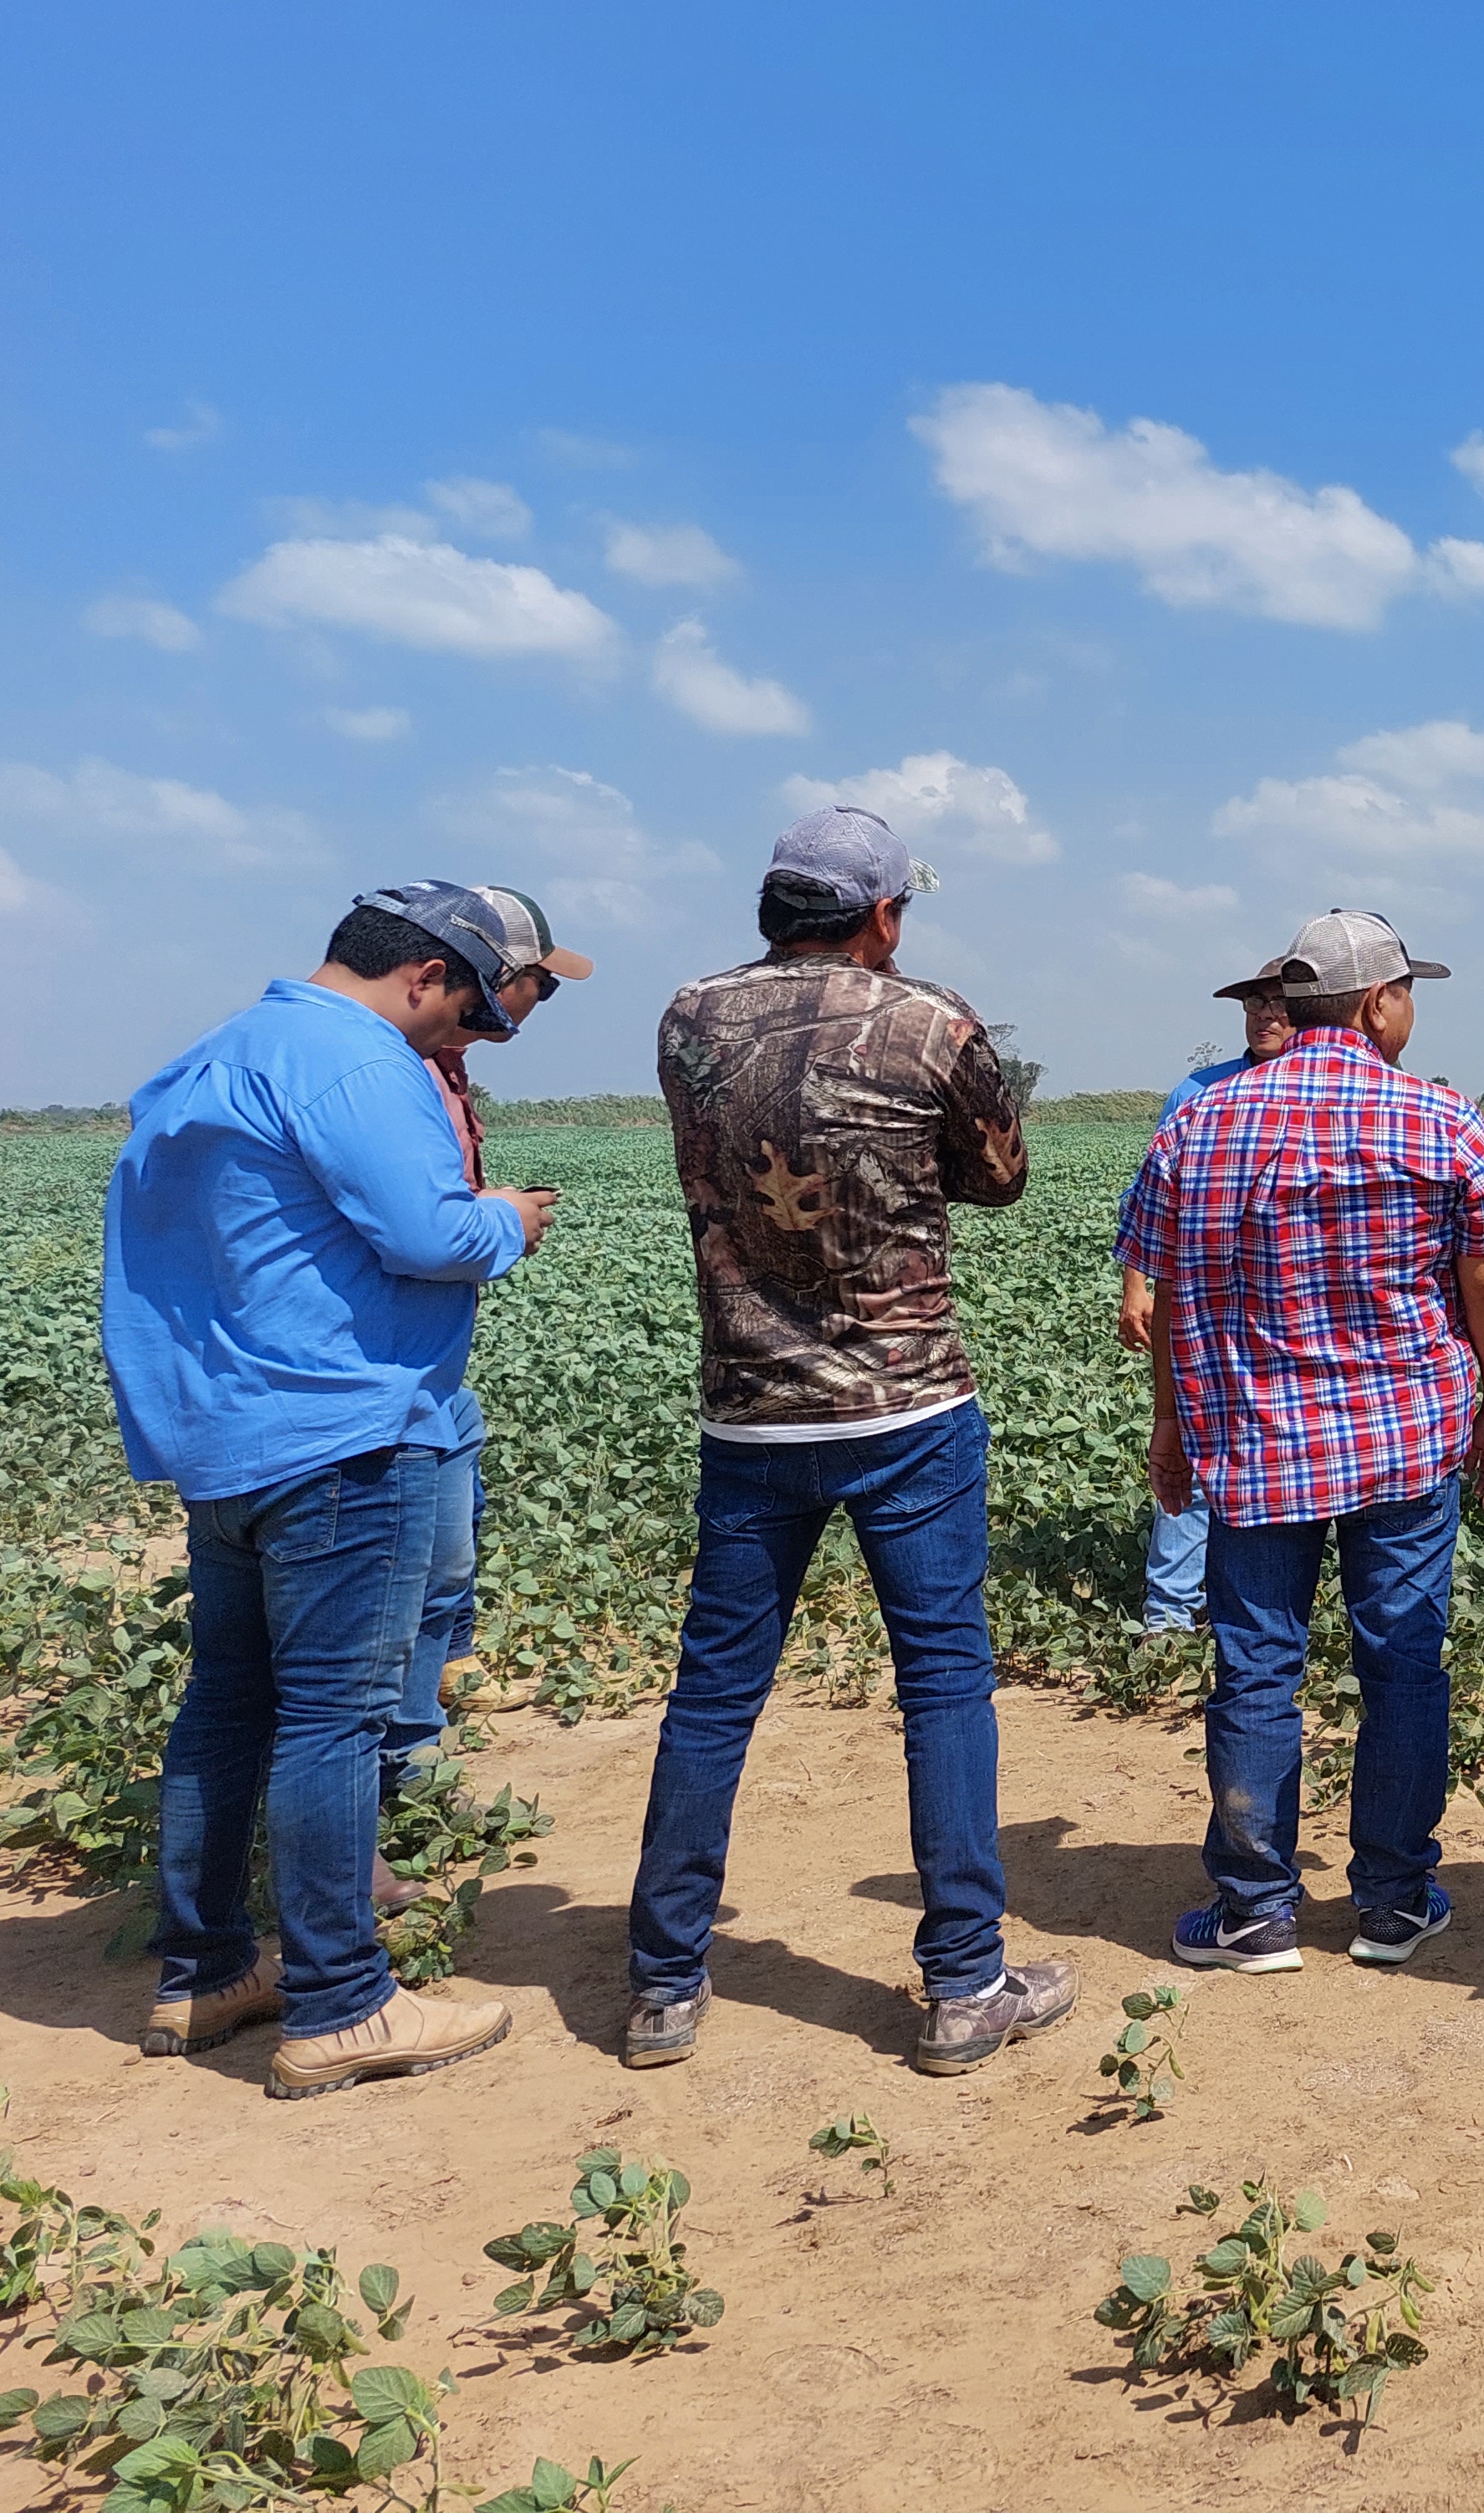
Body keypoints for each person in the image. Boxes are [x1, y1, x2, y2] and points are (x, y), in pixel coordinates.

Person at [626, 808, 1071, 2077]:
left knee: (715, 1692)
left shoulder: (688, 1016)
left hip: (750, 1408)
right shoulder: (929, 1022)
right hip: (906, 1407)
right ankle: (965, 1984)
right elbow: (1000, 1177)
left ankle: (663, 1984)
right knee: (943, 1685)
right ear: (883, 915)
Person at [100, 884, 558, 2097]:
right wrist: (508, 1221)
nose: (463, 1033)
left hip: (224, 1433)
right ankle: (342, 2002)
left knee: (226, 1707)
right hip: (343, 1433)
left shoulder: (212, 1058)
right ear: (423, 975)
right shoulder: (356, 1061)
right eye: (466, 1007)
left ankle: (205, 1973)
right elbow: (433, 1237)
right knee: (334, 1719)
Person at [1121, 909, 1484, 1974]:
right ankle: (1393, 1901)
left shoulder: (1199, 1123)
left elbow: (1167, 1298)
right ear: (1378, 1003)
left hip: (1254, 1443)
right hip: (1405, 1440)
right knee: (1403, 1664)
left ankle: (1255, 1910)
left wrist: (1171, 1423)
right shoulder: (1440, 1120)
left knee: (1256, 1669)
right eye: (1408, 993)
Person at [380, 888, 591, 1843]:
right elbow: (419, 1231)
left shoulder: (440, 1062)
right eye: (541, 982)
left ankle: (438, 1689)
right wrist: (500, 1220)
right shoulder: (389, 1072)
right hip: (382, 1384)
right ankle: (400, 1768)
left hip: (429, 1369)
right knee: (405, 1573)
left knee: (448, 1543)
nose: (543, 1001)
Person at [1117, 970, 1296, 1632]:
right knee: (1193, 1442)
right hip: (1204, 1306)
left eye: (1279, 1005)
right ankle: (1169, 1613)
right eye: (1256, 1004)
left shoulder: (1319, 1089)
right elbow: (1150, 1202)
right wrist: (1136, 1287)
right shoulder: (1197, 1092)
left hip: (1285, 1312)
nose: (1265, 1016)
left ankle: (1255, 1605)